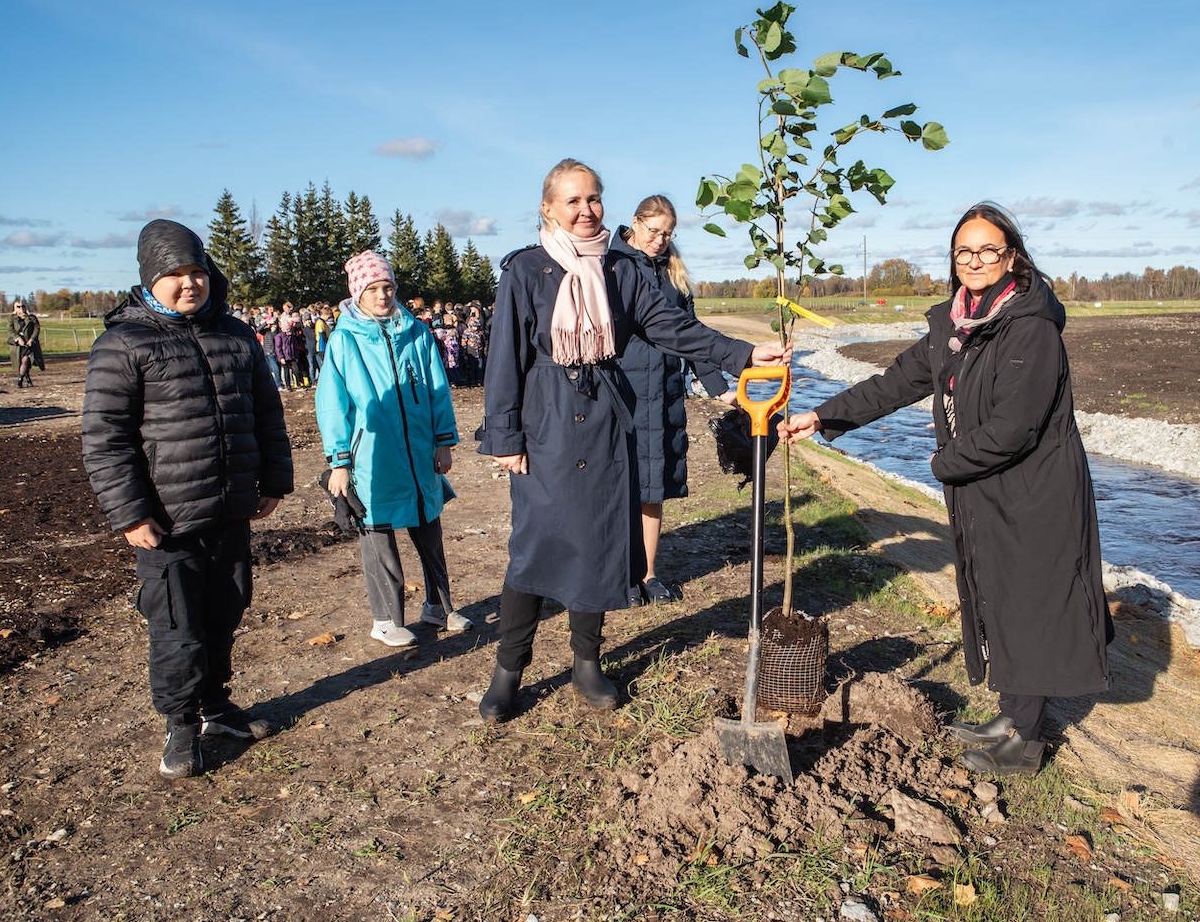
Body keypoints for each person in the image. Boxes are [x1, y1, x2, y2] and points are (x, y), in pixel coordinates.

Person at [779, 202, 1113, 777]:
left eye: (988, 250)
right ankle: (1013, 716)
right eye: (965, 251)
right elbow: (895, 382)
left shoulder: (1030, 328)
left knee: (1028, 603)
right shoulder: (956, 324)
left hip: (1033, 492)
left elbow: (1014, 428)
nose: (975, 261)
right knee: (997, 596)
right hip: (982, 486)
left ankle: (1027, 744)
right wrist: (823, 416)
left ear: (1012, 257)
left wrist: (943, 463)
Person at [476, 159, 790, 722]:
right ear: (548, 208)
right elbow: (505, 357)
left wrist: (742, 353)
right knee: (534, 547)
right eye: (573, 200)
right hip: (546, 422)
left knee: (598, 542)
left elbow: (671, 326)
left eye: (594, 198)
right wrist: (505, 434)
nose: (586, 210)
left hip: (606, 420)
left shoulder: (621, 268)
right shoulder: (524, 269)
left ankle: (587, 663)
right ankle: (509, 669)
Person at [81, 219, 294, 779]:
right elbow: (105, 439)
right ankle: (180, 723)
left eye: (196, 271)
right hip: (167, 520)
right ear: (150, 278)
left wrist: (273, 481)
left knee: (226, 609)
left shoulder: (235, 335)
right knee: (176, 625)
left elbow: (266, 413)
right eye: (174, 274)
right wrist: (131, 513)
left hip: (230, 508)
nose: (188, 283)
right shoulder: (124, 343)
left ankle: (216, 705)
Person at [316, 250, 469, 647]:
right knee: (378, 532)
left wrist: (444, 441)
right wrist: (339, 461)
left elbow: (437, 389)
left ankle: (438, 607)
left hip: (419, 452)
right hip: (372, 456)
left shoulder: (416, 333)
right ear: (357, 293)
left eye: (388, 287)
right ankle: (385, 619)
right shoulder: (344, 339)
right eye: (373, 289)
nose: (382, 295)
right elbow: (332, 403)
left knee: (428, 527)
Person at [613, 195, 736, 602]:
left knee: (652, 489)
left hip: (664, 396)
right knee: (619, 488)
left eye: (667, 234)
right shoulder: (610, 265)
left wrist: (719, 387)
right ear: (635, 223)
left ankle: (648, 575)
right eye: (654, 231)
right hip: (621, 396)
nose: (660, 240)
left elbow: (691, 334)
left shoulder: (674, 274)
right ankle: (620, 576)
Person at [7, 298, 43, 388]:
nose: (21, 308)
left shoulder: (31, 318)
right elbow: (10, 329)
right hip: (17, 344)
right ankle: (28, 379)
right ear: (15, 308)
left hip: (28, 342)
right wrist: (18, 338)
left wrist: (32, 339)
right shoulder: (12, 318)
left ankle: (19, 380)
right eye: (18, 307)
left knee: (26, 360)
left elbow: (37, 328)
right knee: (21, 362)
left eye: (22, 306)